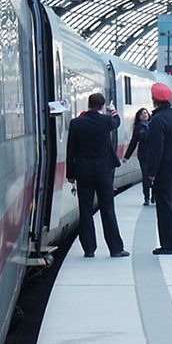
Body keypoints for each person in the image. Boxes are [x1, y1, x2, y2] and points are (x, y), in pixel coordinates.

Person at [65, 93, 129, 258]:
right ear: (102, 106)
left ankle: (89, 249)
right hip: (103, 172)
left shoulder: (76, 123)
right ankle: (115, 249)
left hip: (83, 171)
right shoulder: (106, 120)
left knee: (85, 210)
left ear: (89, 104)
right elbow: (117, 122)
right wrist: (113, 110)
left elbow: (70, 150)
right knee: (107, 208)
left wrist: (70, 174)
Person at [146, 83, 172, 255]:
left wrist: (152, 173)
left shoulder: (157, 120)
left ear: (154, 100)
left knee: (164, 208)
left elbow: (156, 150)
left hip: (163, 171)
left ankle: (169, 246)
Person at [123, 108, 152, 206]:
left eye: (145, 113)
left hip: (155, 155)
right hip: (143, 155)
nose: (144, 115)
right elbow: (133, 143)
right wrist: (126, 156)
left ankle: (155, 195)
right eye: (142, 114)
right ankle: (147, 197)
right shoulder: (138, 128)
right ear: (139, 117)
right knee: (145, 176)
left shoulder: (154, 124)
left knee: (156, 176)